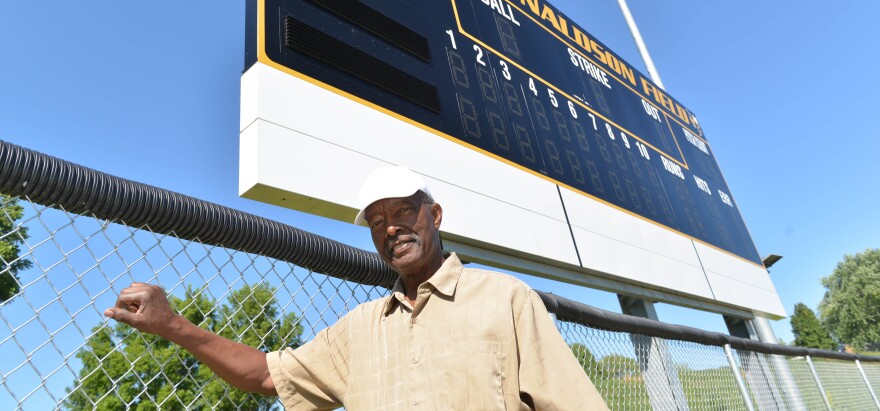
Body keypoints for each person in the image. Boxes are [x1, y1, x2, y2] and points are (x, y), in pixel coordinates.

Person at [106, 165, 609, 410]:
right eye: (377, 221)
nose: (390, 228)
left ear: (434, 216)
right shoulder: (359, 329)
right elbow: (265, 375)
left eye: (403, 212)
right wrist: (171, 325)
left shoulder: (506, 299)